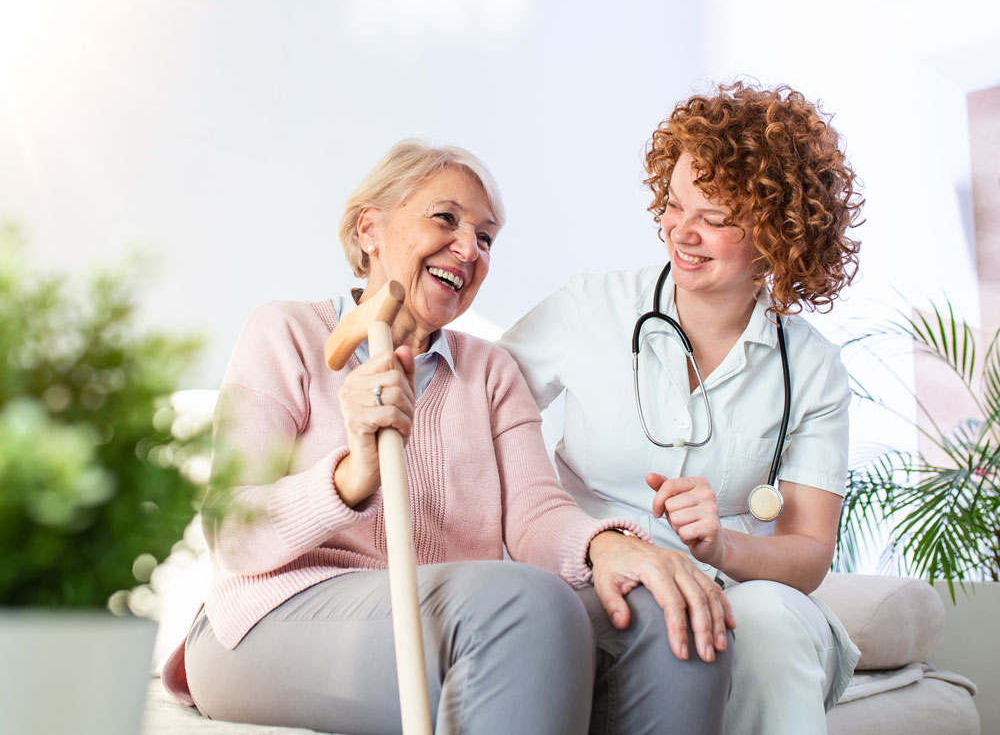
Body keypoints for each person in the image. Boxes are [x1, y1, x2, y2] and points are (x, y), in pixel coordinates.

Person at [162, 139, 735, 735]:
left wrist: (605, 546)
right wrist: (351, 473)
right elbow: (233, 531)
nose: (468, 249)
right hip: (270, 619)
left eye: (486, 238)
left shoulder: (490, 371)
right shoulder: (286, 332)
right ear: (370, 230)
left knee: (676, 617)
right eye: (446, 219)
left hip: (451, 612)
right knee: (525, 606)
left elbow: (537, 517)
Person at [500, 81, 865, 735]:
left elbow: (808, 549)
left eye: (716, 219)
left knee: (771, 626)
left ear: (780, 232)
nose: (682, 233)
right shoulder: (592, 308)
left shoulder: (810, 367)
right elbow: (480, 406)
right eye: (673, 204)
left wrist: (721, 543)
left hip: (732, 586)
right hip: (592, 568)